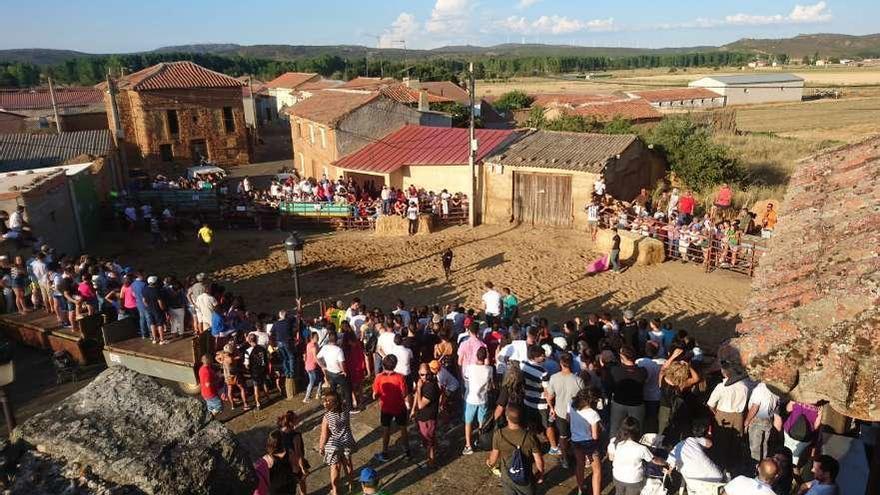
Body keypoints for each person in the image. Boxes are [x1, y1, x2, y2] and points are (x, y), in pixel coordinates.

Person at [486, 404, 545, 495]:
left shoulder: (499, 434)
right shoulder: (530, 436)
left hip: (507, 477)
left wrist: (489, 463)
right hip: (525, 476)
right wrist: (540, 473)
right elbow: (539, 460)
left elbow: (493, 458)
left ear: (507, 417)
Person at [707, 361, 749, 471]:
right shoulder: (744, 386)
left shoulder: (721, 386)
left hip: (723, 415)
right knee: (735, 444)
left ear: (724, 373)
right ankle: (732, 468)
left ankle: (720, 467)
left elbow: (710, 404)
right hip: (738, 417)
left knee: (720, 444)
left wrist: (716, 413)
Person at [607, 416, 665, 495]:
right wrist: (666, 463)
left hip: (618, 477)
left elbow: (611, 458)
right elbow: (655, 460)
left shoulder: (614, 442)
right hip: (634, 480)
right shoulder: (641, 448)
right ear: (637, 431)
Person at [546, 352, 584, 467]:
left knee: (563, 436)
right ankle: (577, 456)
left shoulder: (554, 378)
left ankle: (565, 458)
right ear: (571, 363)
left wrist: (552, 407)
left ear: (561, 363)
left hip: (560, 412)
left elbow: (550, 396)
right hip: (575, 414)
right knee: (575, 436)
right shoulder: (578, 380)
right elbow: (582, 398)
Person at [521, 345, 558, 455]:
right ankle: (554, 447)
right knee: (548, 426)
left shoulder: (523, 364)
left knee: (530, 425)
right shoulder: (543, 372)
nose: (544, 357)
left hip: (528, 400)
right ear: (535, 357)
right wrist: (551, 407)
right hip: (541, 404)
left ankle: (530, 446)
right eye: (542, 355)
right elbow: (547, 392)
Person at [372, 355, 410, 462]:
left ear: (383, 364)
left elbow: (375, 394)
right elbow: (404, 393)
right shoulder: (400, 377)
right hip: (399, 406)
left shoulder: (379, 377)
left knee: (386, 430)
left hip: (386, 407)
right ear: (395, 365)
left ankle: (385, 452)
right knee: (403, 428)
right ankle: (407, 451)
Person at [318, 390, 356, 495]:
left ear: (331, 403)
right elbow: (347, 425)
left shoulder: (327, 417)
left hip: (334, 444)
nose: (324, 403)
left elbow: (324, 435)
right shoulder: (345, 410)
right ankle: (351, 484)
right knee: (348, 463)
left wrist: (321, 447)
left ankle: (335, 491)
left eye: (326, 401)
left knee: (335, 466)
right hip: (346, 440)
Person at [667, 419, 724, 487]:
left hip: (695, 486)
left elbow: (670, 471)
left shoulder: (672, 455)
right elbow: (709, 444)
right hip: (716, 478)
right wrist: (704, 438)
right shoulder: (691, 439)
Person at [607, 346, 647, 437]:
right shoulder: (642, 371)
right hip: (637, 404)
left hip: (618, 403)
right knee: (636, 429)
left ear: (623, 357)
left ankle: (613, 448)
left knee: (615, 428)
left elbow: (610, 386)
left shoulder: (615, 370)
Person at [570, 387, 602, 495]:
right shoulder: (593, 414)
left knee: (580, 464)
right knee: (596, 470)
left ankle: (580, 488)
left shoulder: (571, 404)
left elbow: (567, 418)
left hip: (575, 440)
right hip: (589, 444)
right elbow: (595, 436)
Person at [462, 347, 492, 455]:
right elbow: (490, 383)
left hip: (471, 398)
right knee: (481, 422)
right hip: (483, 399)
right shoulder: (489, 369)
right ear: (485, 357)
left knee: (468, 422)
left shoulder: (470, 368)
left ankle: (468, 445)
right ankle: (480, 440)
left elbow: (466, 380)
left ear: (476, 356)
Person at [411, 362, 440, 469]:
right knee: (428, 439)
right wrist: (413, 409)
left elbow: (421, 404)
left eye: (427, 374)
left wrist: (418, 388)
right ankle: (433, 454)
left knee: (429, 442)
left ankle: (431, 463)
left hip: (428, 417)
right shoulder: (423, 383)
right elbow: (416, 397)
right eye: (422, 374)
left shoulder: (430, 387)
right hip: (422, 417)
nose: (425, 377)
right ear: (419, 373)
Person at [745, 381, 780, 464]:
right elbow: (777, 408)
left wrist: (747, 420)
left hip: (757, 419)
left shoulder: (760, 389)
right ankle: (764, 466)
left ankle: (756, 467)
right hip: (769, 420)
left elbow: (755, 406)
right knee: (764, 446)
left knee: (755, 447)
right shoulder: (776, 389)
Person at [252, 430, 295, 495]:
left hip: (275, 489)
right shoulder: (290, 452)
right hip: (289, 484)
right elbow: (295, 468)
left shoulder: (266, 458)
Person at [318, 332, 351, 410]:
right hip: (339, 373)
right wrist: (344, 371)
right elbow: (342, 362)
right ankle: (349, 408)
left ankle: (333, 406)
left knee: (333, 391)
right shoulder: (338, 350)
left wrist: (323, 366)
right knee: (347, 390)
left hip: (329, 372)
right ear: (336, 340)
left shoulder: (325, 347)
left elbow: (318, 357)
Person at [244, 333, 269, 410]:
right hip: (263, 369)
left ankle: (258, 403)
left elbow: (247, 364)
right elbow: (267, 358)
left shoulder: (248, 351)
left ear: (249, 341)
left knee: (256, 387)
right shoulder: (263, 348)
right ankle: (268, 397)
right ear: (257, 339)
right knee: (265, 384)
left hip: (255, 371)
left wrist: (247, 368)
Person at [303, 331, 321, 402]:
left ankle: (318, 393)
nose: (318, 338)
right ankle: (306, 398)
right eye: (316, 337)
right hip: (312, 366)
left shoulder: (309, 344)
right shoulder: (313, 346)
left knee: (318, 380)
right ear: (312, 338)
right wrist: (321, 365)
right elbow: (315, 357)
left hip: (308, 366)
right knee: (312, 382)